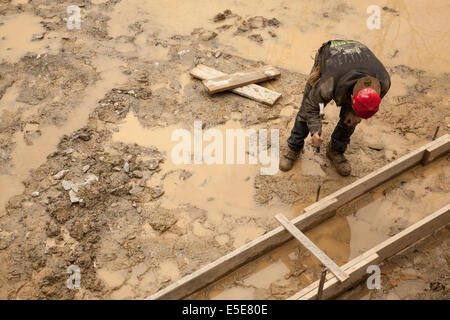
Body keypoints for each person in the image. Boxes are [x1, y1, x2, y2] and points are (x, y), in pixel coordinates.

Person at [280, 40, 391, 176]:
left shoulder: (383, 82)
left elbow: (364, 108)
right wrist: (315, 131)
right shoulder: (329, 83)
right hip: (331, 56)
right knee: (306, 111)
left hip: (357, 55)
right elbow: (312, 107)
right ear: (351, 97)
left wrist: (354, 114)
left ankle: (335, 150)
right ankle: (294, 146)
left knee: (351, 120)